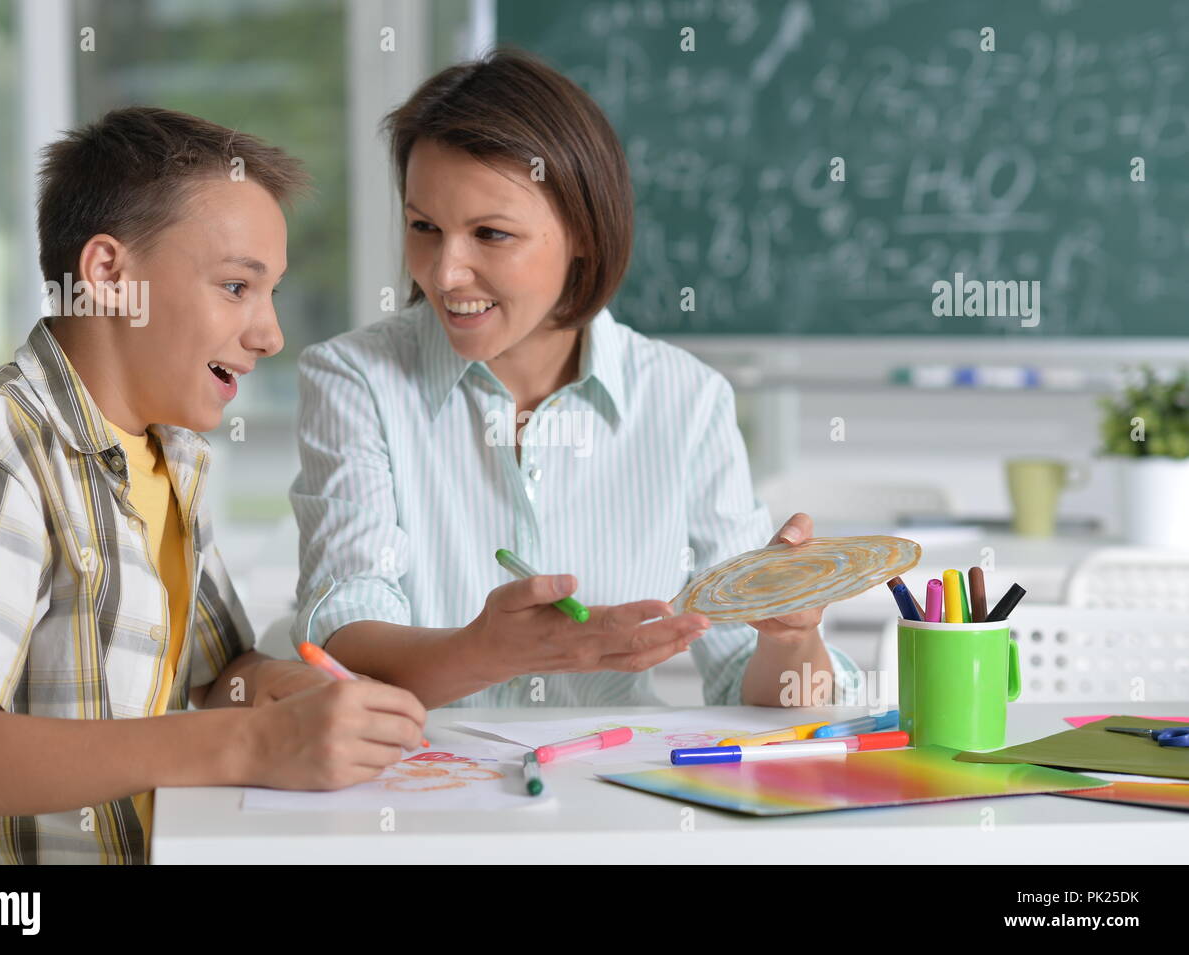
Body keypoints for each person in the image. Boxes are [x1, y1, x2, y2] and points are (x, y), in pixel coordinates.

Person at [0, 107, 426, 864]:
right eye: (237, 286)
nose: (270, 333)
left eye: (269, 293)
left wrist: (294, 696)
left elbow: (221, 676)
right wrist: (247, 740)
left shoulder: (169, 450)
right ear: (109, 275)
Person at [285, 51, 864, 710]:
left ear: (583, 235)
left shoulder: (687, 400)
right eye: (424, 227)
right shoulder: (354, 380)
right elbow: (340, 645)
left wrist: (789, 638)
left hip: (610, 794)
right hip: (414, 794)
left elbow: (750, 689)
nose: (444, 273)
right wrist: (488, 651)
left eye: (491, 234)